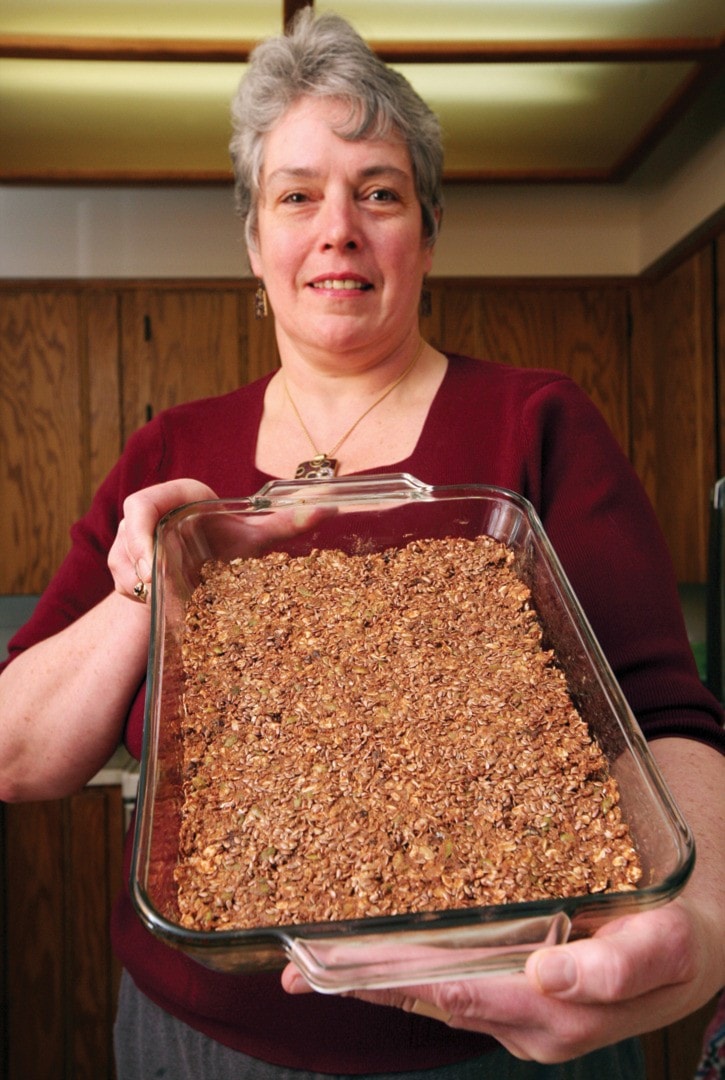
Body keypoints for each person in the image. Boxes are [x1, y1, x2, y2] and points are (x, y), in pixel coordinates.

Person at [1, 10, 723, 1079]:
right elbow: (21, 755)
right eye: (296, 195)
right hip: (202, 1039)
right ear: (255, 242)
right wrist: (152, 581)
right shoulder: (172, 449)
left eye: (377, 192)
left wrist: (701, 928)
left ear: (425, 233)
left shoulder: (535, 423)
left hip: (509, 1027)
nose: (337, 226)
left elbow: (659, 719)